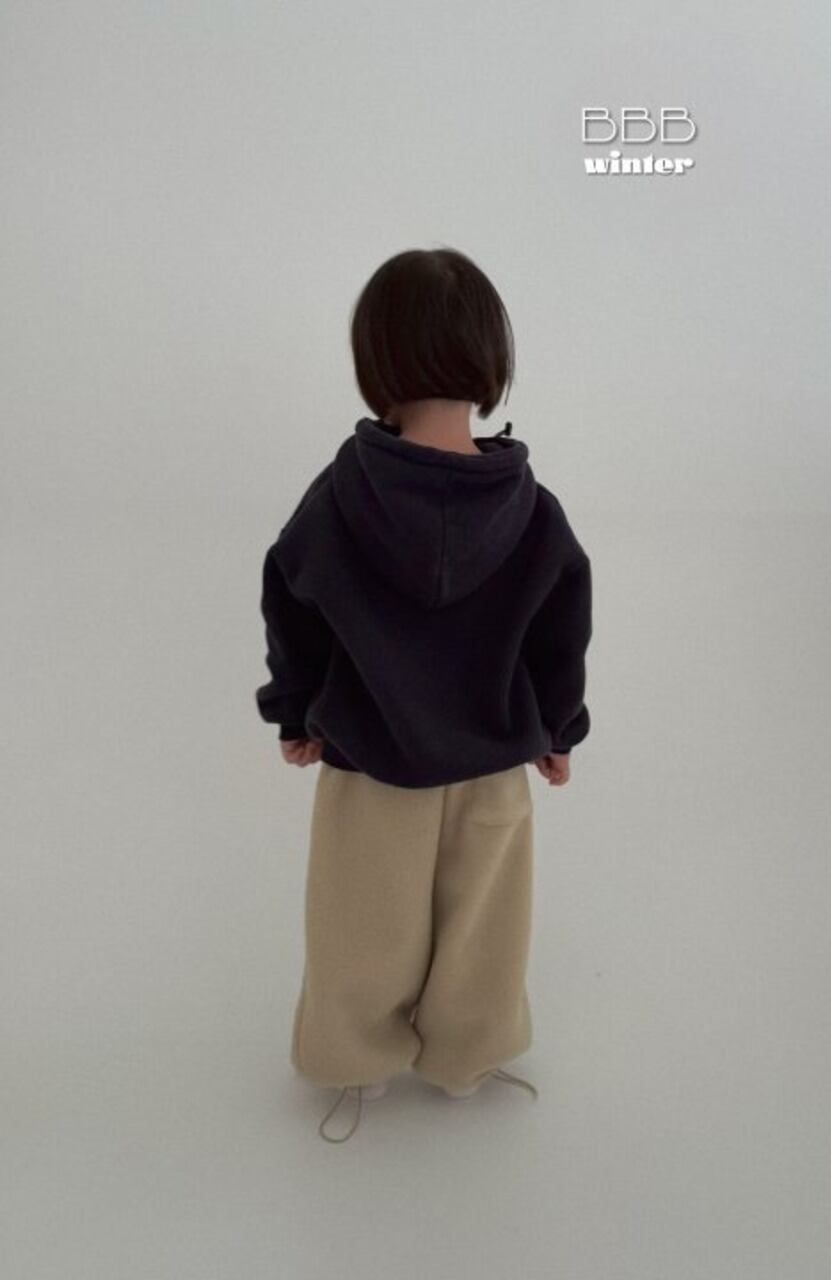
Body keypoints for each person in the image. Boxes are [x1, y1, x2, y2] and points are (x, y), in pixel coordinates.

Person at [254, 247, 592, 1141]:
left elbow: (292, 599)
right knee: (487, 929)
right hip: (493, 765)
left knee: (359, 925)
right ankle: (467, 1059)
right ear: (490, 358)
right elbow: (562, 630)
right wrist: (559, 730)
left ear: (378, 359)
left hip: (371, 762)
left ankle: (354, 1063)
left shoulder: (340, 497)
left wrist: (295, 708)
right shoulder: (531, 507)